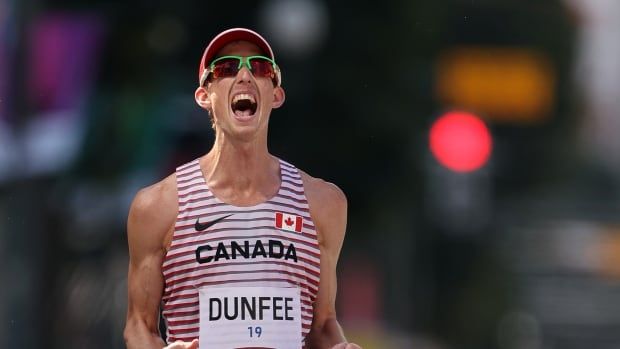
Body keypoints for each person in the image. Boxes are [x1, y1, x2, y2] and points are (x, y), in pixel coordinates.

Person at [123, 28, 361, 349]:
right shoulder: (158, 206)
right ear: (204, 96)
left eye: (260, 67)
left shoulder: (323, 203)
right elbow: (138, 326)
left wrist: (340, 346)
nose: (245, 75)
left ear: (276, 95)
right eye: (227, 69)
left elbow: (322, 325)